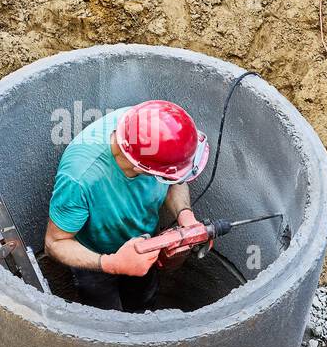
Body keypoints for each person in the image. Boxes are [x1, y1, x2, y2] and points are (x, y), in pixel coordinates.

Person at [43, 100, 208, 312]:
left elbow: (176, 177)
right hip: (95, 259)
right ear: (141, 167)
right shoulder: (79, 177)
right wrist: (112, 263)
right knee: (106, 322)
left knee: (142, 305)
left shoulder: (152, 126)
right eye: (164, 175)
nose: (172, 179)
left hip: (146, 246)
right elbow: (54, 243)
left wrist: (186, 217)